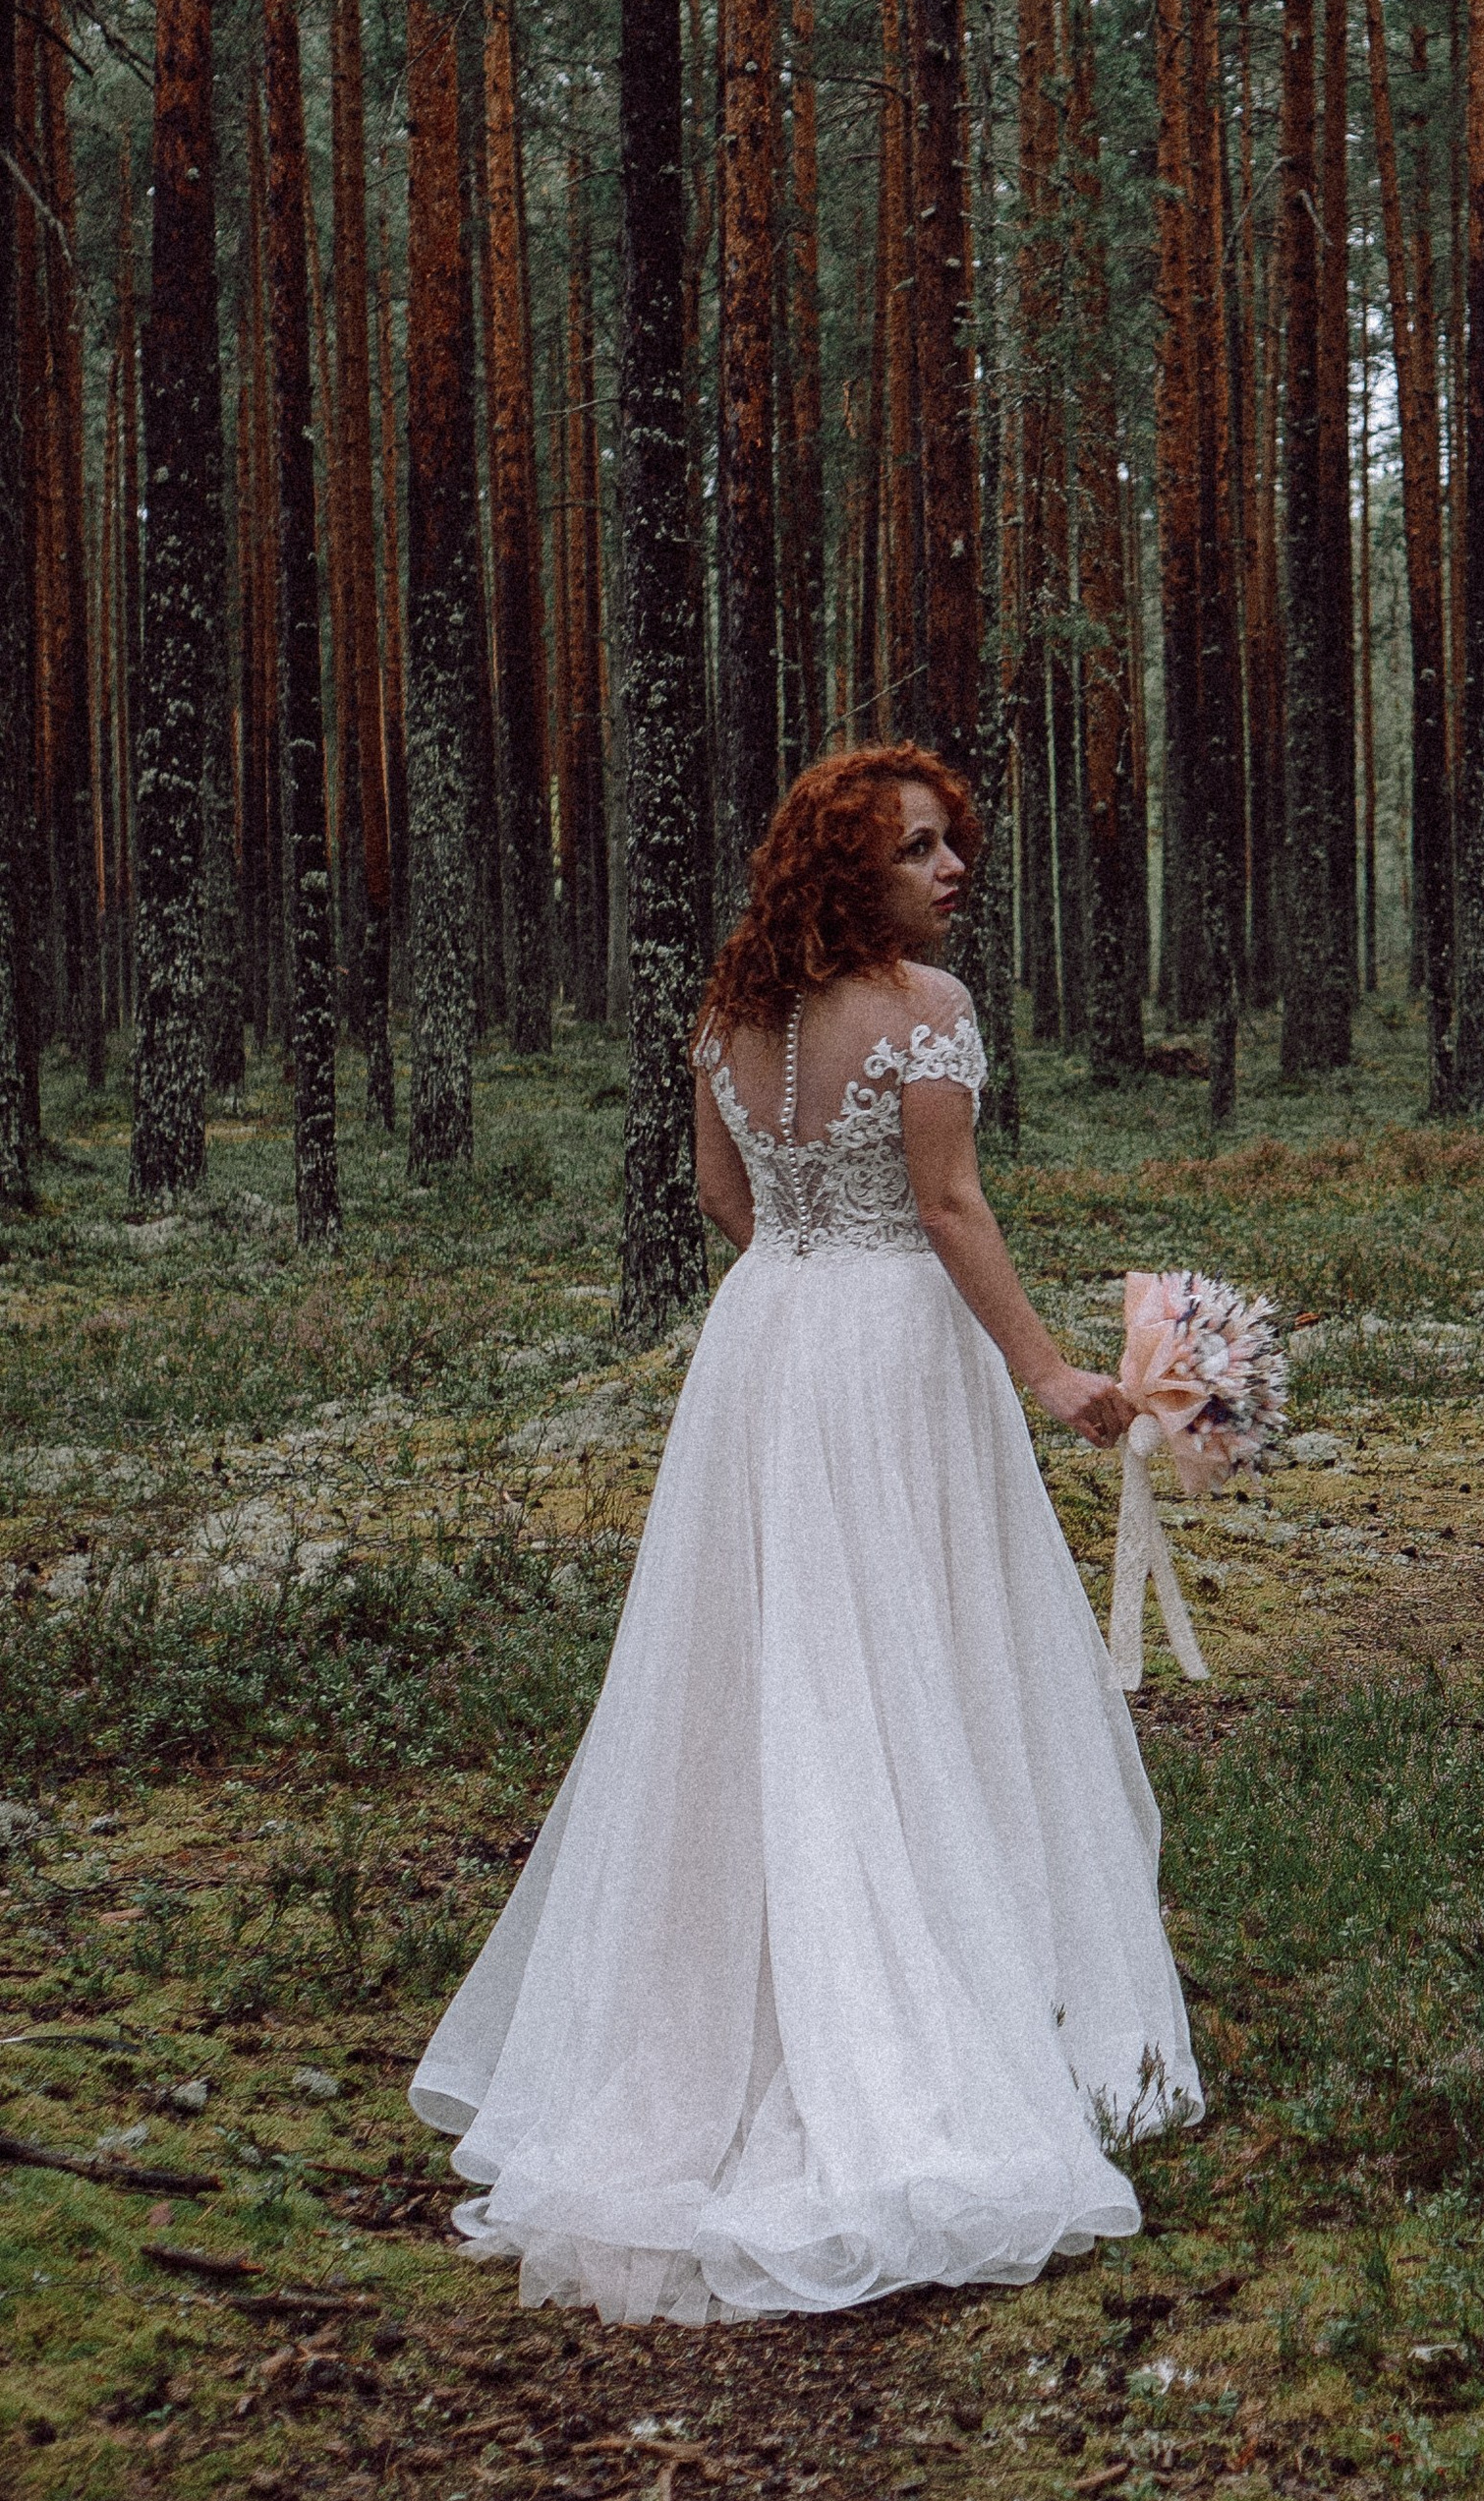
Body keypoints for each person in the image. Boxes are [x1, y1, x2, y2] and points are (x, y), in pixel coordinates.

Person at [411, 741, 1202, 2325]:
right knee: (916, 1651)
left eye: (950, 844)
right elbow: (955, 1208)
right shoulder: (924, 1015)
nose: (950, 869)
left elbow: (725, 1196)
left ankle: (725, 2014)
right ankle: (929, 2018)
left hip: (766, 1348)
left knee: (768, 1669)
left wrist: (806, 1277)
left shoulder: (727, 1015)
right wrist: (1044, 1370)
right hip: (898, 1355)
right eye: (919, 851)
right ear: (854, 873)